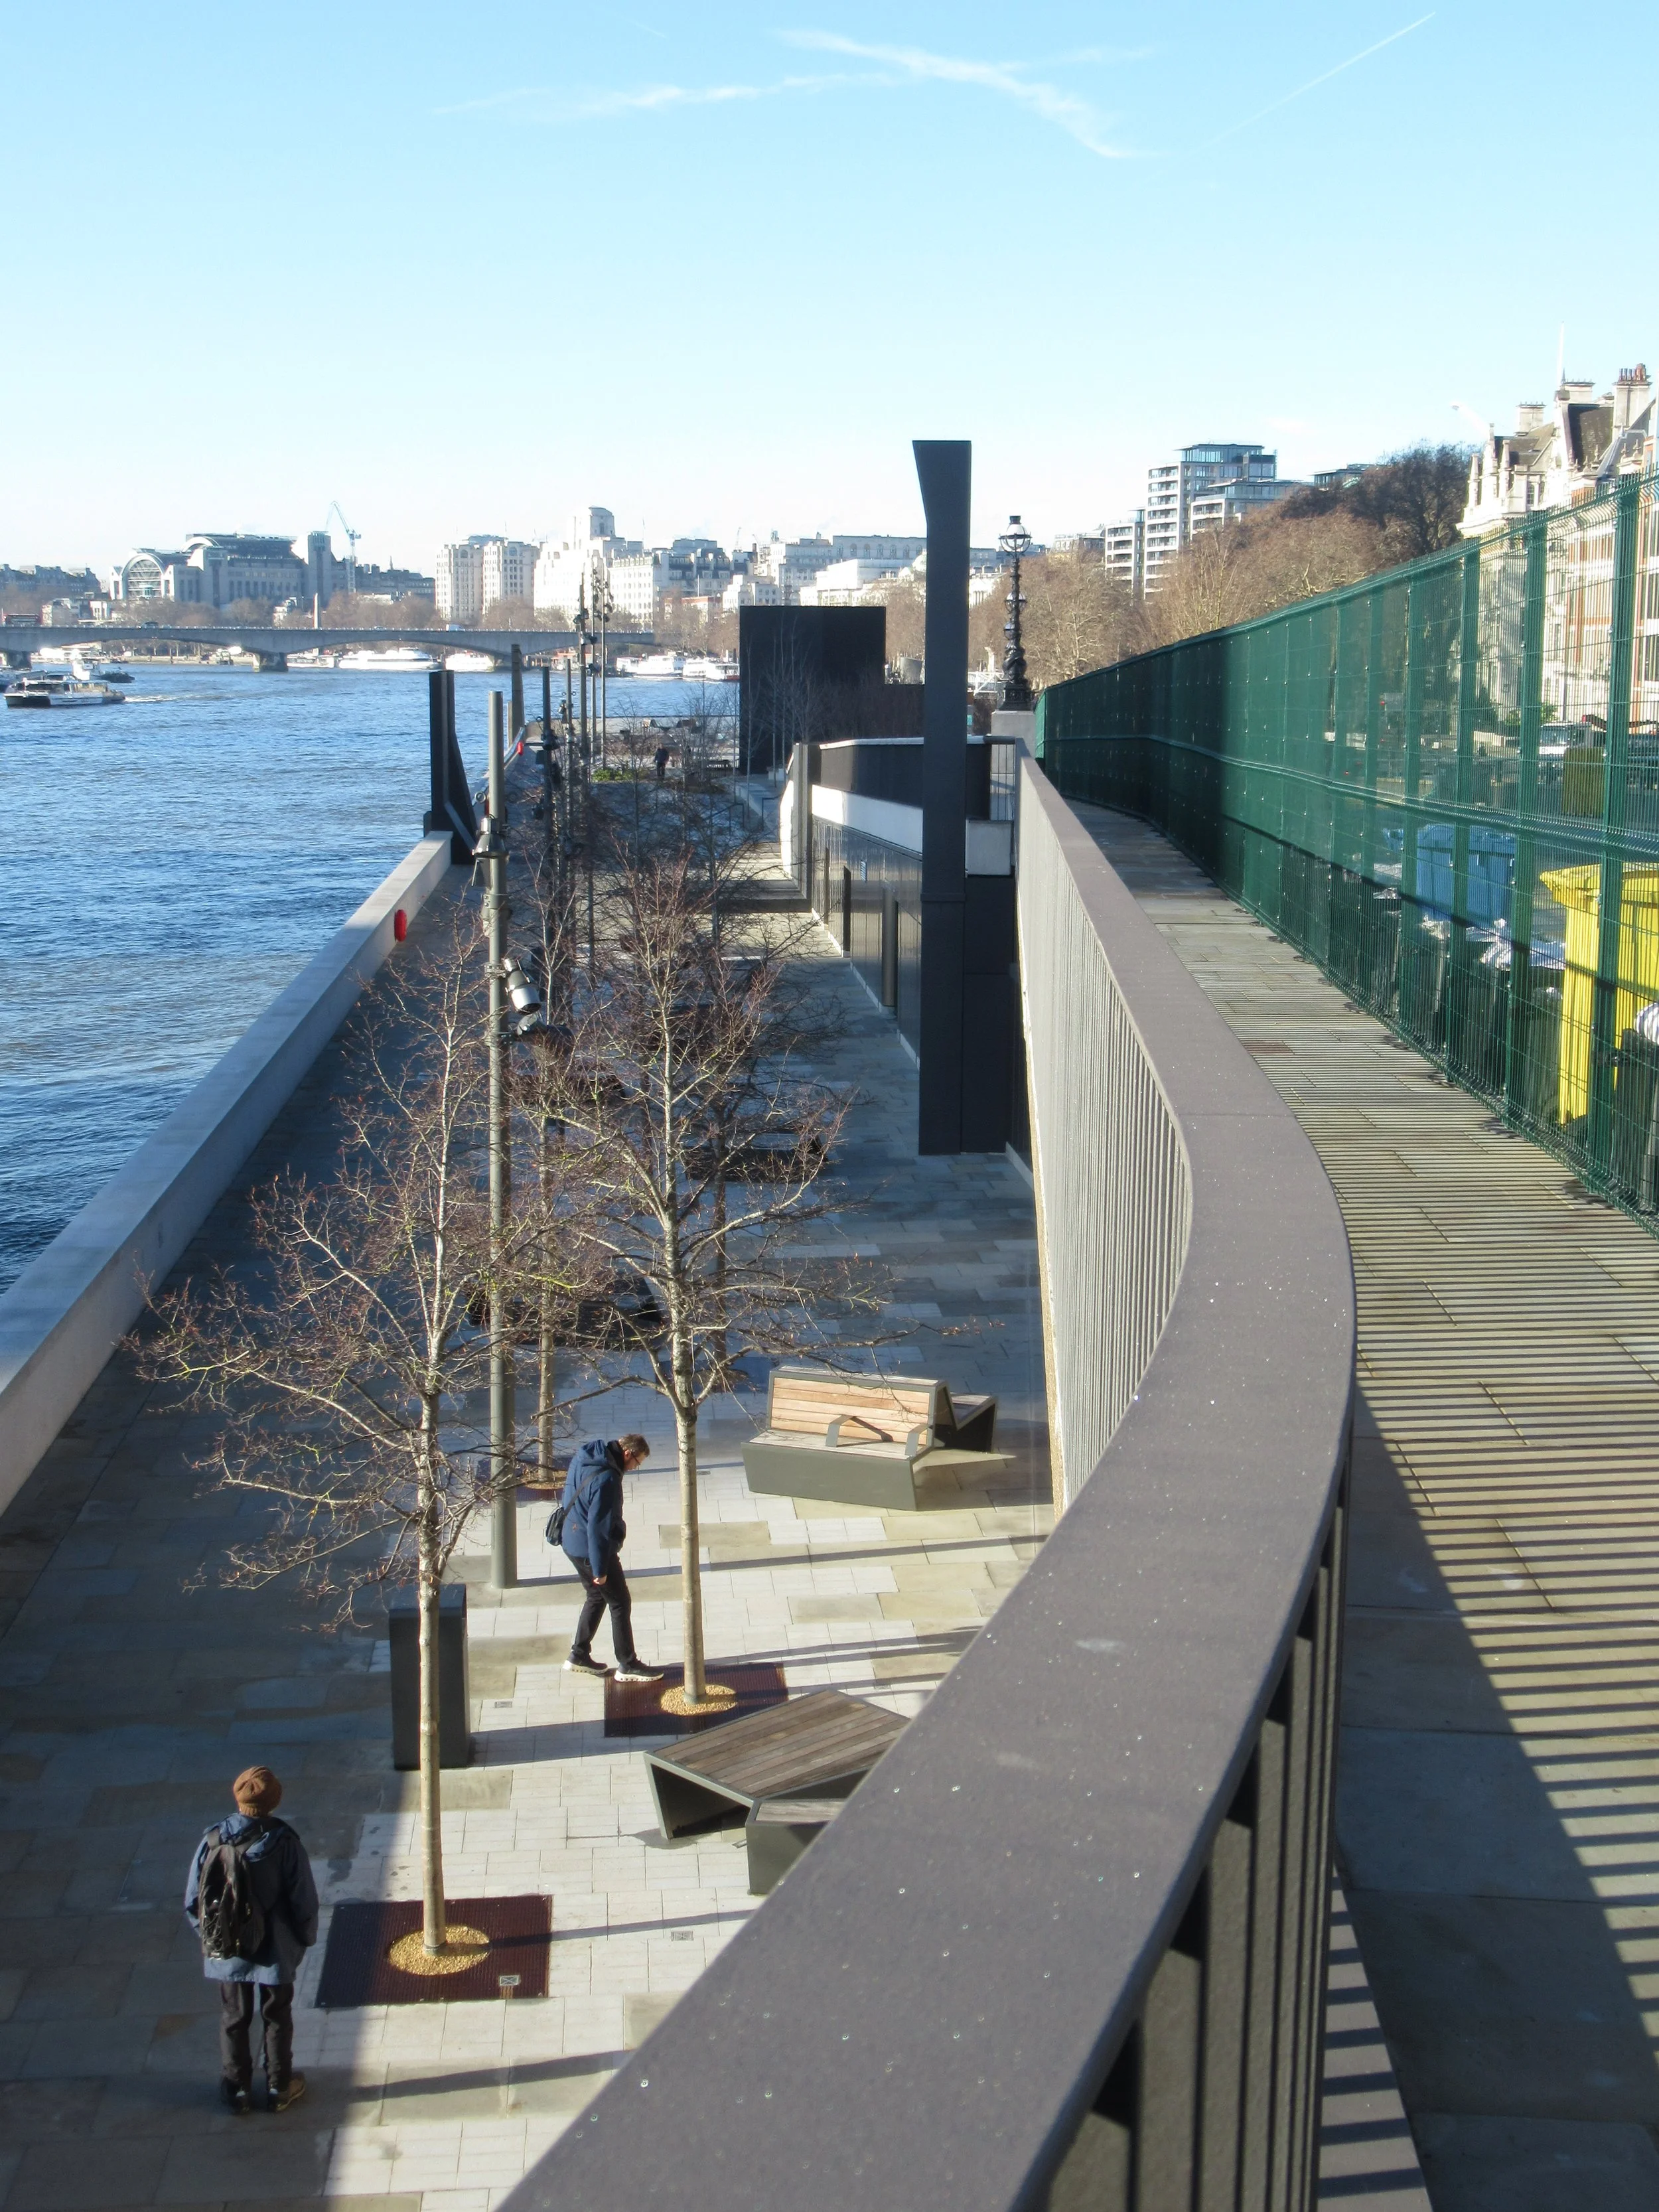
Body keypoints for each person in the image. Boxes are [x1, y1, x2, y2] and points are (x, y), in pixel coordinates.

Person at [184, 1765, 319, 2116]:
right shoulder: (285, 1843)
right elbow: (303, 1901)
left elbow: (192, 1902)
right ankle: (279, 2086)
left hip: (228, 1951)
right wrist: (303, 1939)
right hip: (275, 1951)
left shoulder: (212, 1840)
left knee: (234, 2016)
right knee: (277, 2016)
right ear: (274, 1801)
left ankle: (237, 2089)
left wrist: (217, 1940)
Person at [560, 1433, 662, 1682]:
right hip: (590, 1549)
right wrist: (599, 1569)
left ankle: (579, 1654)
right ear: (628, 1454)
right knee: (620, 1602)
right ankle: (627, 1664)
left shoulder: (586, 1456)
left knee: (596, 1596)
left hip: (571, 1539)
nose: (635, 1468)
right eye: (637, 1463)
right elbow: (598, 1527)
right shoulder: (608, 1479)